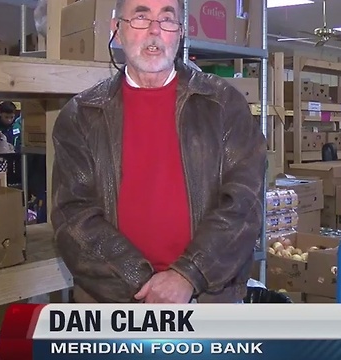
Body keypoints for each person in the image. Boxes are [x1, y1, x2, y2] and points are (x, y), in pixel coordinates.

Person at [51, 0, 266, 304]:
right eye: (140, 18)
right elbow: (72, 215)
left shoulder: (223, 106)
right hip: (113, 300)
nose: (154, 31)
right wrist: (144, 284)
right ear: (117, 29)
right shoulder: (81, 115)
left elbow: (245, 205)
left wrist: (188, 275)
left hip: (207, 297)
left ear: (180, 33)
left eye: (167, 20)